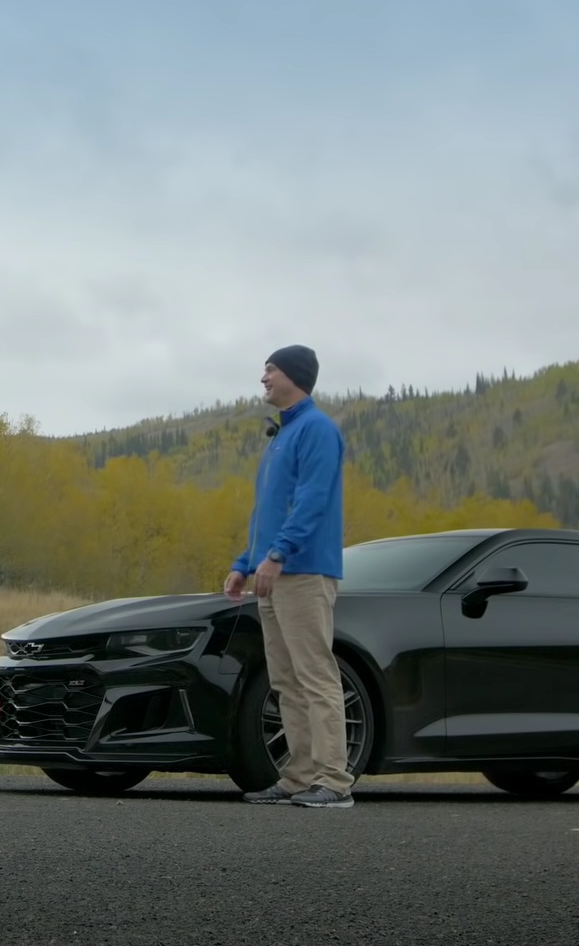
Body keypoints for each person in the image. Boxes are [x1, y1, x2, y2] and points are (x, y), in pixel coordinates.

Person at [223, 344, 352, 809]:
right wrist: (245, 562)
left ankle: (334, 781)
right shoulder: (281, 436)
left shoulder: (317, 430)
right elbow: (269, 513)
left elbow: (313, 502)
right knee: (286, 680)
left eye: (270, 370)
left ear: (294, 376)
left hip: (303, 571)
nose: (263, 378)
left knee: (316, 675)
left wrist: (277, 554)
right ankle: (298, 777)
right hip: (273, 573)